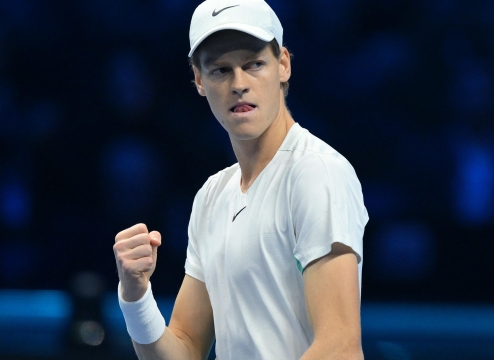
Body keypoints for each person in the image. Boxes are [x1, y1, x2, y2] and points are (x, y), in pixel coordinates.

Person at [112, 0, 368, 358]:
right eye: (220, 70)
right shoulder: (213, 196)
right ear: (199, 80)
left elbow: (339, 347)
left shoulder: (317, 172)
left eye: (254, 64)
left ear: (283, 65)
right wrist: (136, 296)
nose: (239, 84)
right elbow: (184, 347)